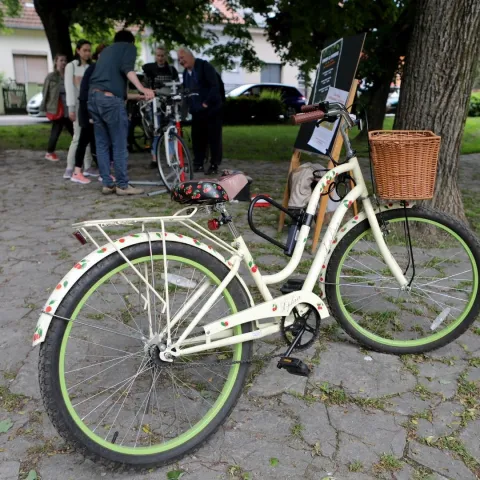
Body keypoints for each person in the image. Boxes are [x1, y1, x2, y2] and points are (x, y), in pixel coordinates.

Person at [88, 29, 154, 195]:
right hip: (110, 102)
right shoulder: (128, 48)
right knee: (119, 143)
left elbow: (112, 86)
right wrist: (143, 88)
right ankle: (123, 185)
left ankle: (107, 183)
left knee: (102, 144)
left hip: (94, 98)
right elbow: (127, 69)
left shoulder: (106, 52)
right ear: (130, 42)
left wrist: (136, 96)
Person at [177, 47, 223, 175]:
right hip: (197, 110)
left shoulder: (204, 66)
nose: (181, 61)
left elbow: (215, 86)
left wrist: (206, 103)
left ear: (190, 56)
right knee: (197, 137)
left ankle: (214, 164)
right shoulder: (186, 73)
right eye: (179, 59)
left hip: (211, 108)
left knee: (214, 137)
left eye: (182, 58)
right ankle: (198, 163)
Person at [71, 43, 108, 185]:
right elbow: (86, 92)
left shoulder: (97, 68)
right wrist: (91, 114)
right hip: (88, 109)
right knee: (84, 140)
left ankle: (102, 172)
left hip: (91, 108)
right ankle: (76, 172)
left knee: (94, 141)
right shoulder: (94, 69)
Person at [64, 39, 99, 180]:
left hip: (89, 105)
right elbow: (69, 88)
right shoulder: (71, 66)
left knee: (88, 136)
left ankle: (87, 165)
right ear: (78, 50)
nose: (87, 53)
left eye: (89, 50)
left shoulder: (92, 67)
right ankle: (70, 167)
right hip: (77, 105)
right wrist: (71, 108)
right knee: (77, 137)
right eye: (84, 50)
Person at [142, 46, 179, 168]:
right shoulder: (150, 69)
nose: (160, 58)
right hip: (155, 105)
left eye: (162, 55)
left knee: (171, 130)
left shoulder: (172, 70)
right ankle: (154, 159)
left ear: (166, 56)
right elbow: (145, 87)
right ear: (155, 56)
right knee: (156, 132)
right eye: (158, 55)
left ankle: (172, 157)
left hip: (170, 104)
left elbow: (177, 85)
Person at [41, 54, 73, 161]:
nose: (64, 62)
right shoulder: (51, 77)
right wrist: (45, 107)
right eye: (61, 60)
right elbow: (45, 92)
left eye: (65, 60)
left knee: (74, 131)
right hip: (57, 108)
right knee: (57, 130)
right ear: (56, 62)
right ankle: (50, 152)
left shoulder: (69, 75)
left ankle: (76, 150)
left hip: (68, 108)